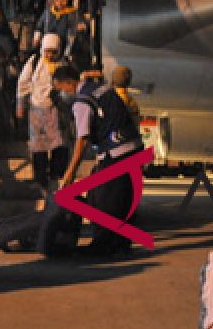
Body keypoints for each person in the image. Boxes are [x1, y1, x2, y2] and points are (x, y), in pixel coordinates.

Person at [53, 65, 144, 256]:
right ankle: (121, 244)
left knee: (102, 199)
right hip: (133, 146)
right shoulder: (98, 86)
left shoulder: (81, 102)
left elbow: (82, 140)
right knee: (123, 198)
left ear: (69, 84)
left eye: (61, 89)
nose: (62, 94)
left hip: (117, 151)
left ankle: (104, 245)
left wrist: (69, 175)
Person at [16, 33, 70, 192]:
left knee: (60, 144)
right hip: (37, 109)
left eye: (53, 51)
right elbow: (23, 83)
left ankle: (56, 175)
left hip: (57, 110)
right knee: (39, 147)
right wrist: (20, 105)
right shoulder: (34, 63)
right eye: (47, 51)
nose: (50, 55)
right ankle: (40, 179)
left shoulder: (63, 64)